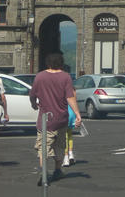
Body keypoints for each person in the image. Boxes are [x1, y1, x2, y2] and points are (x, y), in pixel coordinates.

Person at [29, 52, 81, 185]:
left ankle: (44, 173)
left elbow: (32, 94)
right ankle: (58, 170)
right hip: (62, 118)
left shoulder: (40, 76)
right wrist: (77, 114)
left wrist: (34, 104)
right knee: (60, 145)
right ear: (61, 63)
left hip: (46, 119)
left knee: (43, 146)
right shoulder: (66, 77)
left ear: (48, 63)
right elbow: (70, 97)